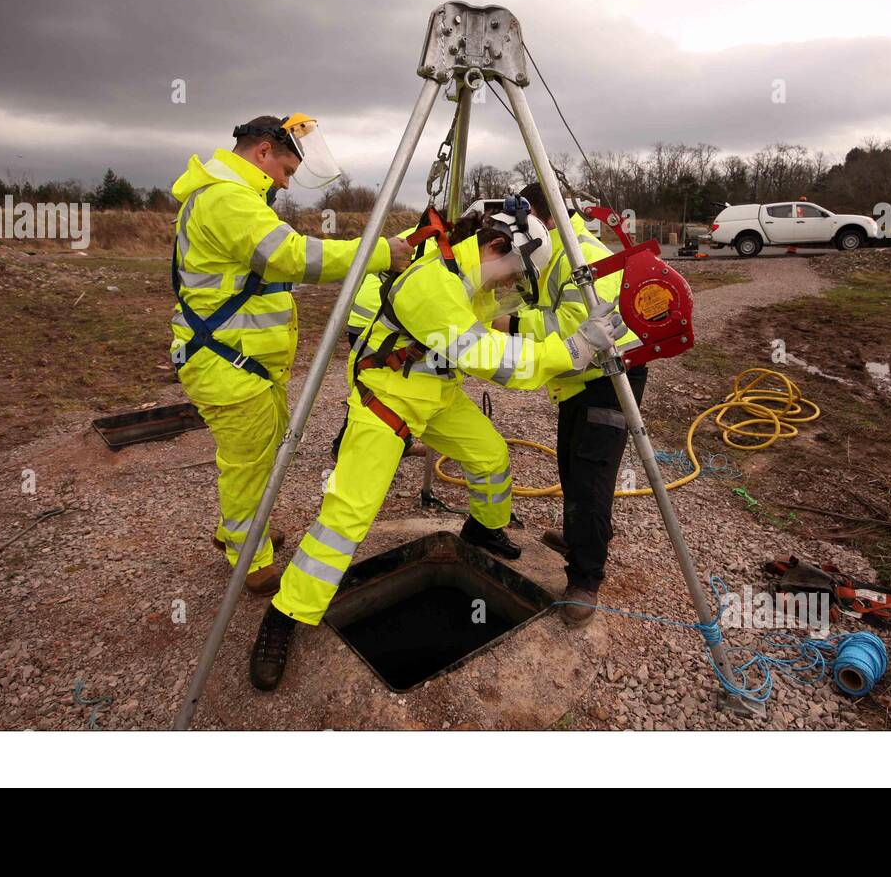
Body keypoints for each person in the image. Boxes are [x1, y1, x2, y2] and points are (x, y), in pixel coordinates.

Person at [248, 210, 624, 689]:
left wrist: (562, 335)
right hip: (387, 397)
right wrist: (569, 353)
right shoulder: (431, 284)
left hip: (436, 393)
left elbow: (499, 330)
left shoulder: (469, 277)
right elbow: (488, 357)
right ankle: (286, 614)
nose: (510, 285)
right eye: (513, 274)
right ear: (495, 248)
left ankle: (484, 531)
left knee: (490, 457)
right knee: (349, 514)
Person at [170, 114, 411, 596]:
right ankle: (250, 560)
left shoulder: (227, 195)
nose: (285, 183)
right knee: (248, 465)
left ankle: (239, 530)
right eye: (285, 171)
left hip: (240, 363)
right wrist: (379, 253)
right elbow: (293, 257)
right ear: (262, 152)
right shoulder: (226, 198)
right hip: (228, 364)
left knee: (251, 458)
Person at [503, 182, 647, 628]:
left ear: (540, 219)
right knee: (570, 463)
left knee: (590, 475)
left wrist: (506, 323)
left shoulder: (581, 254)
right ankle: (581, 537)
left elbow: (574, 324)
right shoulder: (561, 251)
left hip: (609, 379)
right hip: (580, 380)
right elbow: (552, 309)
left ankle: (586, 578)